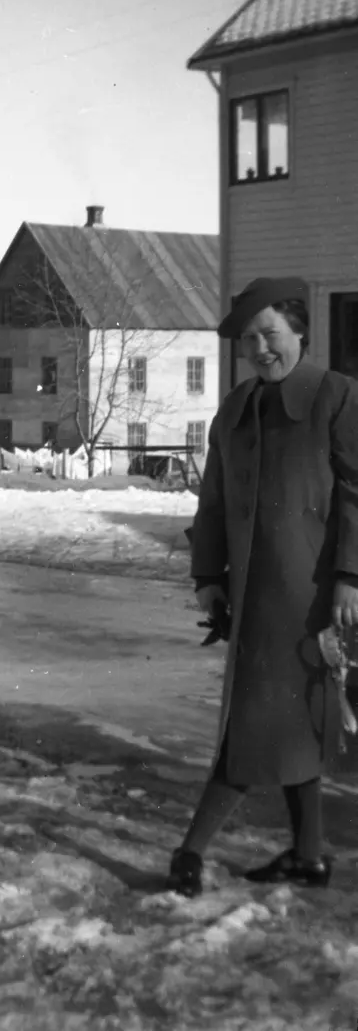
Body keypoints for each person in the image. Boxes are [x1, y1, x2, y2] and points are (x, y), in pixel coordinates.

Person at [168, 276, 358, 898]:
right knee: (291, 720)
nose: (259, 348)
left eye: (269, 334)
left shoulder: (337, 398)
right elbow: (215, 501)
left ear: (299, 330)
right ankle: (308, 855)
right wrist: (207, 578)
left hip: (313, 599)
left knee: (257, 722)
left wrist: (351, 578)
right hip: (252, 597)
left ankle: (191, 850)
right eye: (249, 339)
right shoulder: (237, 408)